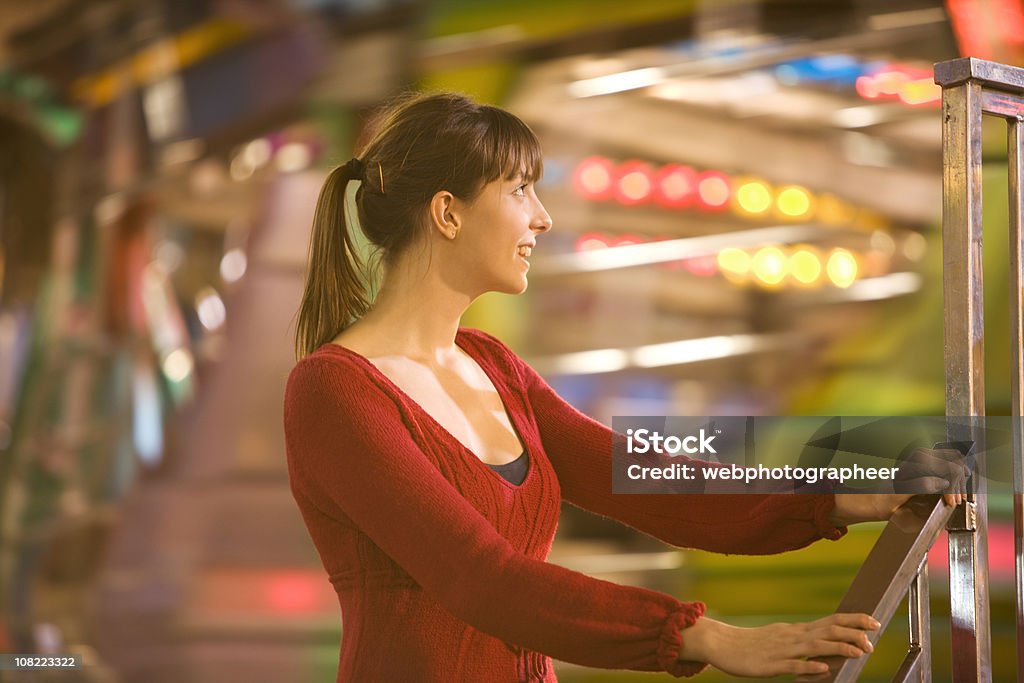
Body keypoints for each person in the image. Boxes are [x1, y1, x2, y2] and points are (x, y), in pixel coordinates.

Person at [283, 91, 966, 682]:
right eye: (519, 189)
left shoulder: (494, 365)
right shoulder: (334, 392)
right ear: (447, 213)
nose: (542, 217)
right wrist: (704, 635)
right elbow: (478, 576)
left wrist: (848, 494)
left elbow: (648, 478)